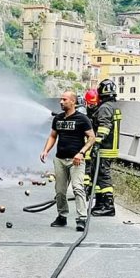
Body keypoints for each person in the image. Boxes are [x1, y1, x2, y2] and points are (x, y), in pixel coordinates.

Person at [40, 91, 96, 231]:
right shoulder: (58, 119)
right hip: (59, 159)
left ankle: (81, 218)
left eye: (64, 99)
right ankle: (62, 216)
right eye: (60, 99)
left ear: (72, 102)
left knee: (78, 188)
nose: (61, 102)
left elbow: (92, 138)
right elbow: (53, 136)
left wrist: (81, 153)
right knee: (60, 191)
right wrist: (45, 150)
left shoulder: (82, 119)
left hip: (75, 160)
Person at [89, 79, 123, 217]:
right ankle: (100, 203)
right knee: (97, 175)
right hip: (111, 147)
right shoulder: (113, 106)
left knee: (103, 175)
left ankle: (108, 206)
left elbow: (104, 126)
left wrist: (96, 143)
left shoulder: (104, 108)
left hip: (104, 147)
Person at [83, 89, 99, 200]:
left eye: (92, 104)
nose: (90, 106)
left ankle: (89, 190)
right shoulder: (87, 111)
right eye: (89, 104)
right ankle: (86, 189)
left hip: (93, 143)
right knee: (87, 167)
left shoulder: (99, 112)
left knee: (90, 168)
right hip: (87, 144)